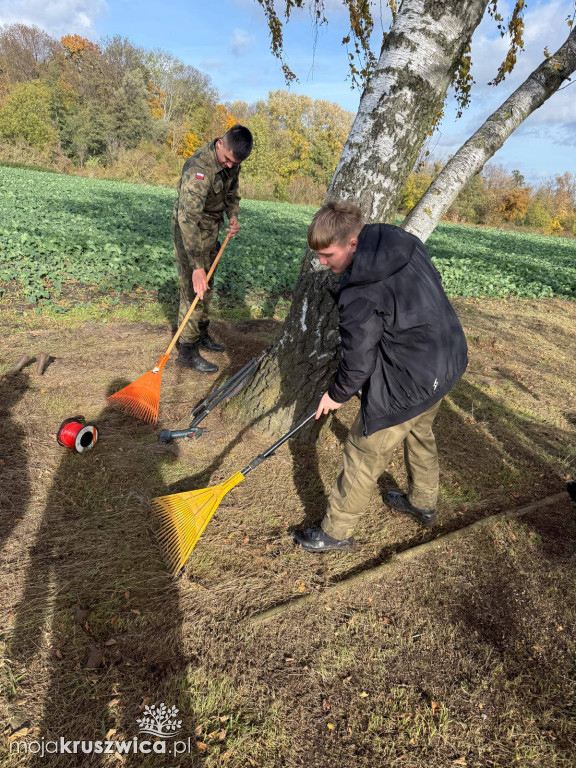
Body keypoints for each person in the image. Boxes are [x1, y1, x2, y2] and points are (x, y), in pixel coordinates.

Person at [293, 201, 468, 552]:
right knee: (419, 431)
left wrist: (336, 395)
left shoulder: (360, 293)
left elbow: (358, 364)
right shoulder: (399, 239)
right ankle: (423, 503)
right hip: (448, 357)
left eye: (327, 254)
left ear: (352, 243)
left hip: (412, 378)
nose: (322, 262)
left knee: (363, 449)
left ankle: (336, 532)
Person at [172, 124, 253, 373]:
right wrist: (196, 266)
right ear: (220, 144)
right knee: (193, 291)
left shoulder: (232, 162)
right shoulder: (198, 169)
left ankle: (201, 333)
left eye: (234, 163)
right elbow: (188, 220)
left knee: (207, 287)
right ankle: (187, 350)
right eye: (227, 160)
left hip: (211, 231)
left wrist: (233, 216)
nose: (229, 165)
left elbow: (232, 193)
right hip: (190, 233)